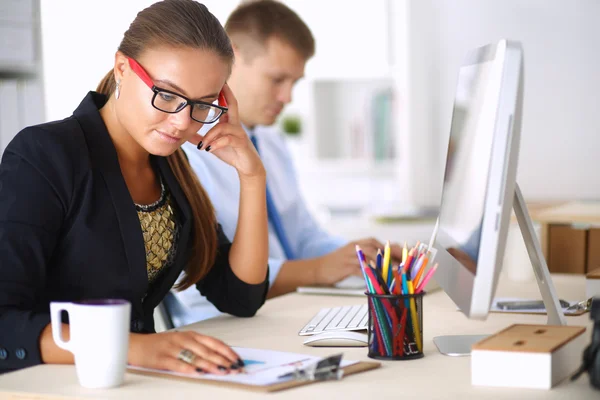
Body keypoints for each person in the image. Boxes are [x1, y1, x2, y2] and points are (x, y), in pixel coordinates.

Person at [0, 0, 269, 375]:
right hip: (53, 383)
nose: (181, 122)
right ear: (122, 68)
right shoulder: (45, 154)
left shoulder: (169, 165)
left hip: (132, 382)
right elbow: (4, 325)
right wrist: (136, 349)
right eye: (168, 95)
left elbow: (240, 295)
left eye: (203, 105)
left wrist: (253, 178)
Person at [168, 0, 402, 326]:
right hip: (222, 324)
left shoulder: (271, 141)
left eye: (295, 82)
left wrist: (362, 257)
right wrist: (318, 270)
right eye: (277, 80)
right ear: (230, 59)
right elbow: (192, 284)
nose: (288, 98)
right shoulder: (184, 151)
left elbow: (302, 237)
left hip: (285, 310)